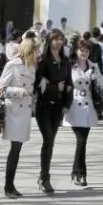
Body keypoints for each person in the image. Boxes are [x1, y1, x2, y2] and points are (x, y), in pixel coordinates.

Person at [0, 34, 39, 199]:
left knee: (17, 149)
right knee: (14, 149)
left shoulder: (32, 67)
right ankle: (8, 185)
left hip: (24, 112)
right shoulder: (12, 65)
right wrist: (21, 92)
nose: (37, 54)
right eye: (35, 51)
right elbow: (1, 88)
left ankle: (10, 184)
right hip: (13, 111)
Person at [34, 30, 71, 194]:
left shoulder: (65, 61)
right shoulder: (43, 60)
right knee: (48, 140)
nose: (59, 42)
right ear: (49, 41)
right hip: (43, 106)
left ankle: (44, 175)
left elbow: (69, 84)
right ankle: (44, 178)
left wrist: (67, 103)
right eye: (55, 39)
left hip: (58, 106)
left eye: (61, 39)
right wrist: (56, 87)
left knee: (51, 141)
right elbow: (36, 85)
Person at [66, 38, 103, 186]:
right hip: (75, 106)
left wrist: (96, 80)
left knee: (82, 141)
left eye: (87, 51)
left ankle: (78, 173)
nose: (84, 53)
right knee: (81, 141)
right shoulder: (70, 67)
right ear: (76, 51)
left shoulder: (93, 66)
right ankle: (79, 173)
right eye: (81, 50)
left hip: (88, 107)